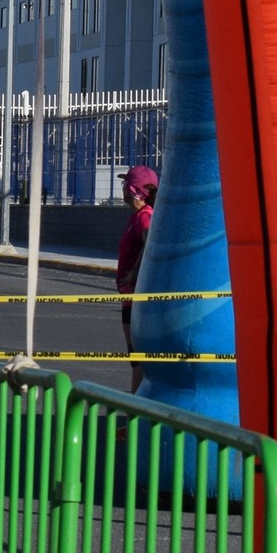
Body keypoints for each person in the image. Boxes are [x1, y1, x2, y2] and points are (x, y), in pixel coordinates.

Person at [116, 164, 157, 389]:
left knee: (138, 359)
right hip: (128, 298)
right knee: (135, 358)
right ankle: (135, 403)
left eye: (125, 184)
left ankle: (135, 405)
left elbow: (150, 244)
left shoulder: (145, 216)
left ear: (134, 190)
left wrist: (134, 272)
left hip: (137, 298)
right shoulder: (136, 217)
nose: (122, 188)